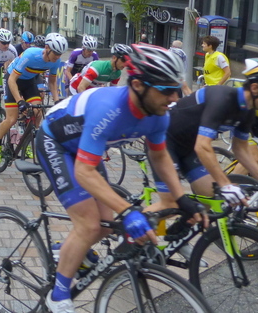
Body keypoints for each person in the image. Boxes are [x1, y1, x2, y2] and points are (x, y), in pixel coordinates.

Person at [37, 44, 204, 313]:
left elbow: (160, 157)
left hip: (84, 150)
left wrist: (182, 199)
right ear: (138, 85)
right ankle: (58, 296)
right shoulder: (109, 108)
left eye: (176, 88)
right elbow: (83, 172)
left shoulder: (158, 114)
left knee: (105, 225)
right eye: (166, 90)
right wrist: (128, 211)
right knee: (90, 225)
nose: (174, 97)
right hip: (55, 142)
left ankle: (68, 251)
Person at [150, 58, 258, 212]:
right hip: (165, 143)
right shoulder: (222, 98)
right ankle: (127, 228)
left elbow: (241, 150)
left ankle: (189, 225)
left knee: (210, 199)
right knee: (170, 205)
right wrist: (226, 184)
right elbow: (203, 146)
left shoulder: (248, 111)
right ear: (255, 88)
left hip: (188, 150)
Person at [0, 33, 67, 164]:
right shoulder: (31, 55)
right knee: (12, 118)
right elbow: (12, 80)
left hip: (29, 81)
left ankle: (27, 141)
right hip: (12, 79)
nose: (58, 57)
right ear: (47, 48)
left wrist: (57, 101)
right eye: (56, 53)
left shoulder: (56, 61)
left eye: (60, 54)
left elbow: (53, 82)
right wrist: (20, 102)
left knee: (37, 112)